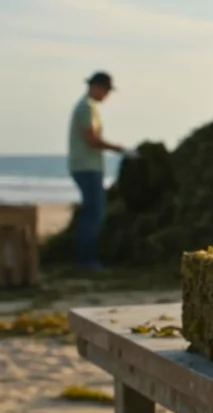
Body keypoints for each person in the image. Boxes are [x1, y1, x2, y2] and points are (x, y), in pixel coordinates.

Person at [68, 71, 126, 271]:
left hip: (88, 166)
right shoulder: (86, 107)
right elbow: (91, 139)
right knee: (94, 213)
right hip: (86, 166)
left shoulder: (88, 107)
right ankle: (87, 261)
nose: (107, 95)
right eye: (106, 90)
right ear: (96, 86)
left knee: (92, 212)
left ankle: (86, 259)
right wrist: (118, 148)